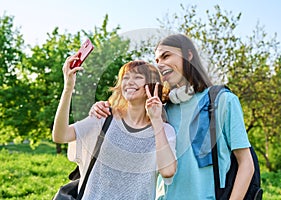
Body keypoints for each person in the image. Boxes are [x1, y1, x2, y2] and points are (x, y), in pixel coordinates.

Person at [89, 34, 255, 199]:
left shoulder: (222, 101)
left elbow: (246, 164)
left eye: (166, 56)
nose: (160, 64)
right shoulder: (162, 109)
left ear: (188, 55)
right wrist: (102, 108)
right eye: (157, 61)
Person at [52, 55, 177, 200]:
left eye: (137, 77)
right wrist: (68, 88)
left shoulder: (164, 130)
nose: (129, 82)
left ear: (152, 85)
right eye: (125, 77)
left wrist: (156, 121)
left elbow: (168, 171)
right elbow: (60, 136)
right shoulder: (104, 117)